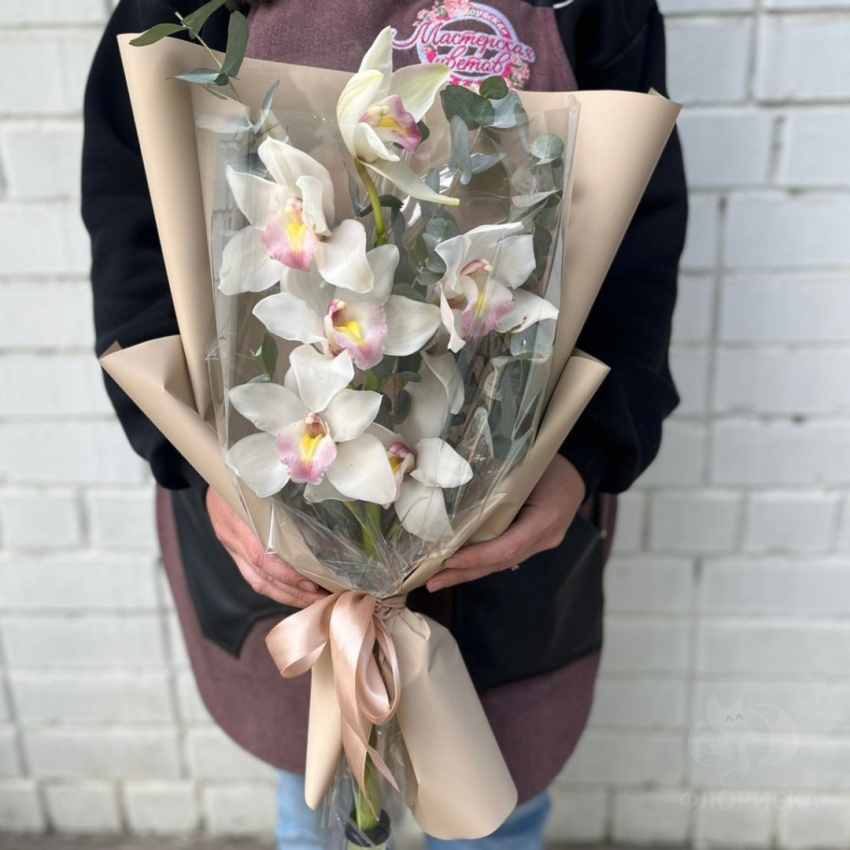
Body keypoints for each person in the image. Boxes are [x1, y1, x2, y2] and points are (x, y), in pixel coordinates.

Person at [82, 0, 687, 846]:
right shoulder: (185, 10)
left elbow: (633, 248)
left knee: (492, 808)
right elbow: (137, 230)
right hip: (275, 533)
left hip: (511, 547)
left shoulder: (590, 10)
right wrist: (201, 463)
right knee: (318, 801)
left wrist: (580, 458)